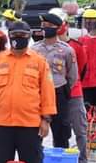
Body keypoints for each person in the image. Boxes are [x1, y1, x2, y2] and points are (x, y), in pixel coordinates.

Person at [0, 21, 56, 163]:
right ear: (9, 36)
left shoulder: (39, 62)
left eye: (22, 36)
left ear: (29, 37)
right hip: (3, 124)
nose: (18, 39)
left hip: (29, 125)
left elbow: (47, 92)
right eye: (15, 35)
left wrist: (46, 120)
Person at [31, 12, 78, 149]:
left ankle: (60, 160)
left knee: (61, 130)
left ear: (57, 28)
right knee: (35, 128)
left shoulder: (66, 50)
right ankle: (36, 160)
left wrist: (63, 88)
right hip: (38, 93)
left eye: (49, 26)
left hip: (59, 92)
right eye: (43, 26)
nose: (45, 28)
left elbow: (72, 76)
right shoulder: (35, 49)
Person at [58, 12, 89, 163]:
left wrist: (73, 85)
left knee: (80, 129)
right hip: (56, 93)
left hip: (74, 92)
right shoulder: (46, 47)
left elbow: (81, 69)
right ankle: (60, 160)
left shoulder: (76, 46)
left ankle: (83, 162)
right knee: (61, 131)